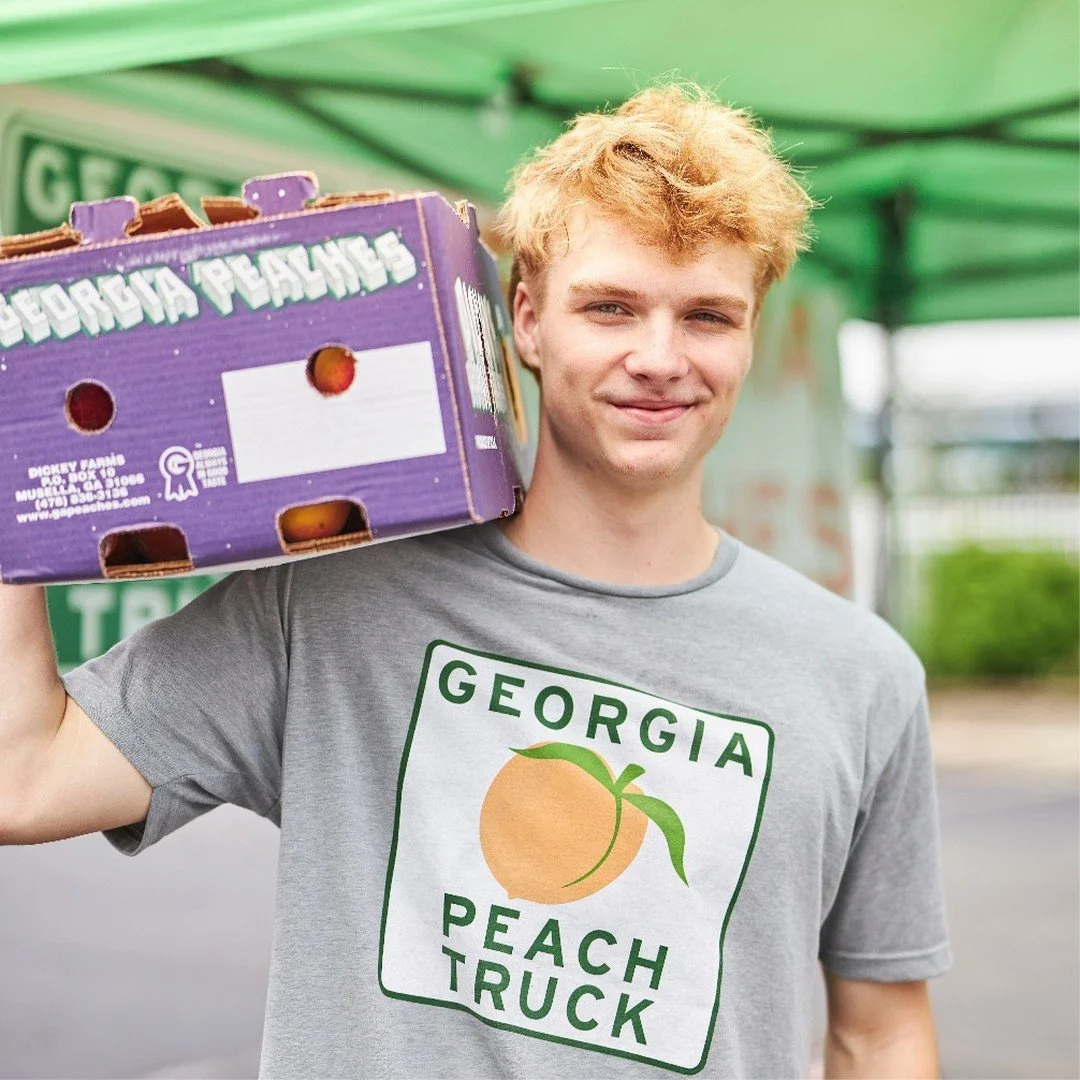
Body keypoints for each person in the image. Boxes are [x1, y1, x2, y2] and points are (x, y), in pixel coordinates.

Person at [0, 83, 950, 1078]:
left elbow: (878, 1033)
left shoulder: (860, 675)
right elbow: (24, 779)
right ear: (528, 322)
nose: (660, 358)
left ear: (751, 335)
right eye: (612, 307)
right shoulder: (333, 601)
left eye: (708, 316)